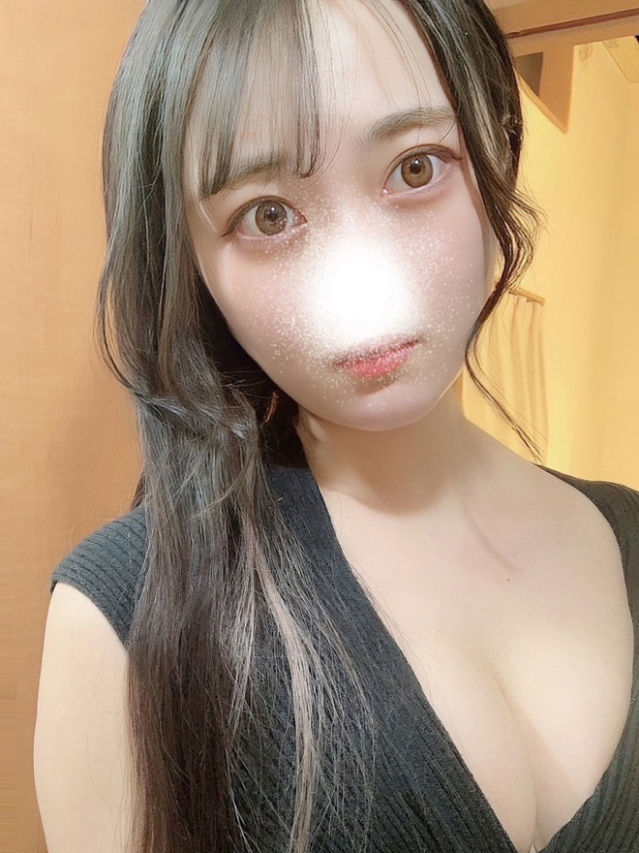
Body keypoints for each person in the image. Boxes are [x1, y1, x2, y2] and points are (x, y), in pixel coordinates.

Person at [34, 1, 638, 852]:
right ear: (192, 263)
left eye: (416, 167)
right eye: (267, 215)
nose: (363, 287)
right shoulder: (126, 616)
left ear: (496, 146)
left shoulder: (625, 533)